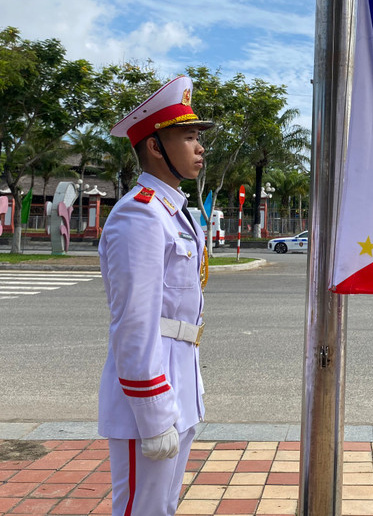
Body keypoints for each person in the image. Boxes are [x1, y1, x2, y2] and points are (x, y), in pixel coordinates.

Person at [98, 75, 213, 516]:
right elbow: (135, 322)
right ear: (153, 146)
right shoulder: (140, 214)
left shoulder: (172, 211)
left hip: (178, 381)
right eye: (188, 137)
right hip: (149, 392)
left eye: (198, 138)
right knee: (139, 509)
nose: (200, 147)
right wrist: (152, 412)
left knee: (161, 506)